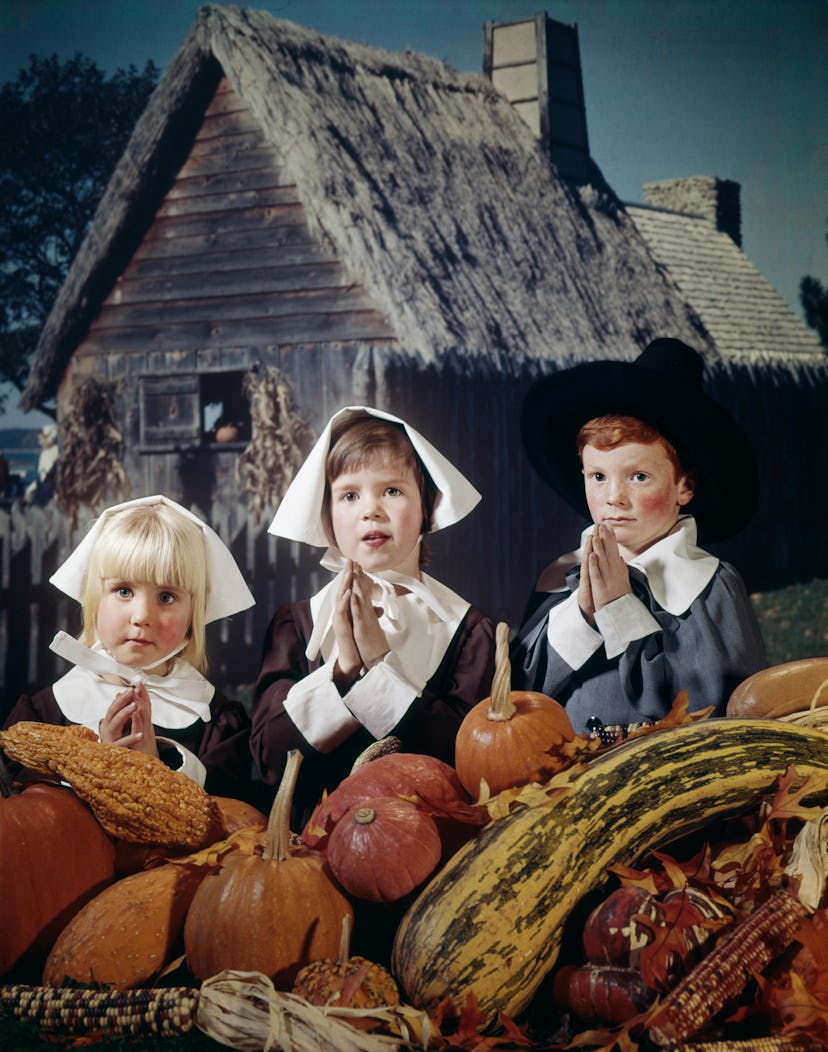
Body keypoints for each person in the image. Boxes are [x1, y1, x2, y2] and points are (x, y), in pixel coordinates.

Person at [251, 406, 496, 828]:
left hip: (432, 844)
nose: (371, 510)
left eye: (392, 491)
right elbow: (269, 762)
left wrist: (382, 665)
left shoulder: (468, 630)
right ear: (327, 516)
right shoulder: (297, 625)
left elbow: (470, 763)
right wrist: (344, 670)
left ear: (428, 507)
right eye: (350, 495)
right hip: (312, 857)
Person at [511, 338, 767, 740]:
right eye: (598, 476)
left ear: (685, 487)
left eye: (638, 477)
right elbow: (521, 694)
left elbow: (714, 712)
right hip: (561, 786)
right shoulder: (560, 577)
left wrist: (619, 612)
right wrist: (585, 617)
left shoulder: (713, 584)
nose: (613, 497)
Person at [3, 495, 257, 801]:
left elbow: (234, 823)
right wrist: (93, 768)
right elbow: (20, 817)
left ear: (194, 613)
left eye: (166, 597)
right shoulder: (42, 714)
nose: (142, 617)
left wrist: (157, 769)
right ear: (95, 599)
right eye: (123, 591)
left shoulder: (219, 726)